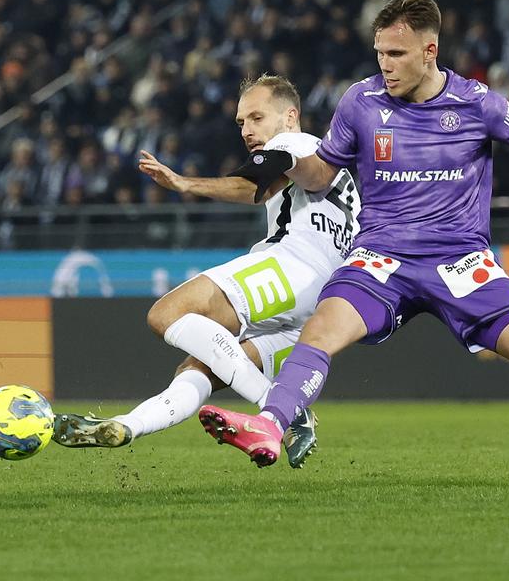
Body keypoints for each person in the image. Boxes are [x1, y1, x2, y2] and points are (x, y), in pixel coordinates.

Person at [206, 0, 509, 490]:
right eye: (380, 53)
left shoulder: (477, 105)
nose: (385, 66)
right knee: (322, 329)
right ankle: (270, 425)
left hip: (460, 261)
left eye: (397, 54)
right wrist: (289, 161)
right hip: (380, 257)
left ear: (430, 51)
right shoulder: (360, 103)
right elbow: (323, 173)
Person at [52, 75, 360, 469]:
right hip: (321, 300)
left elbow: (253, 186)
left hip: (293, 265)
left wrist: (183, 183)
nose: (247, 130)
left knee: (166, 314)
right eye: (241, 123)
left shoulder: (295, 142)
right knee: (200, 366)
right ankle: (127, 425)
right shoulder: (337, 171)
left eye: (256, 117)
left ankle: (285, 411)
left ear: (289, 116)